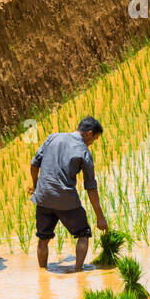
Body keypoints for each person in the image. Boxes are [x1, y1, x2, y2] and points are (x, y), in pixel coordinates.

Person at [30, 116, 108, 271]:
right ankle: (78, 271)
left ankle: (42, 274)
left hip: (43, 197)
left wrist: (35, 186)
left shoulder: (53, 137)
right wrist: (100, 216)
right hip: (65, 200)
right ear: (89, 134)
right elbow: (91, 187)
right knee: (83, 233)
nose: (92, 143)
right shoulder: (83, 151)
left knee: (43, 238)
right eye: (95, 139)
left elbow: (34, 163)